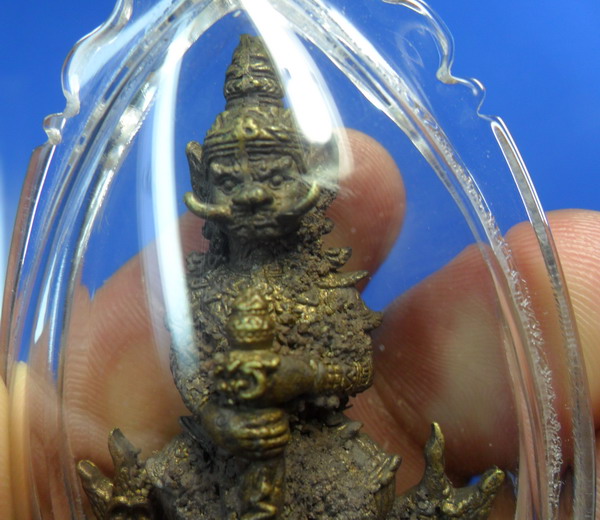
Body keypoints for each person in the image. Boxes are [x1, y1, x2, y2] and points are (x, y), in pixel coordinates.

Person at [1, 40, 600, 518]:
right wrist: (224, 417)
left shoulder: (322, 287)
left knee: (360, 497)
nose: (253, 195)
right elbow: (191, 374)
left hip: (318, 449)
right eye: (231, 178)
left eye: (272, 176)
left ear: (309, 175)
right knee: (165, 488)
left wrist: (295, 375)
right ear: (201, 178)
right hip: (216, 448)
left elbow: (353, 370)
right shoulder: (199, 293)